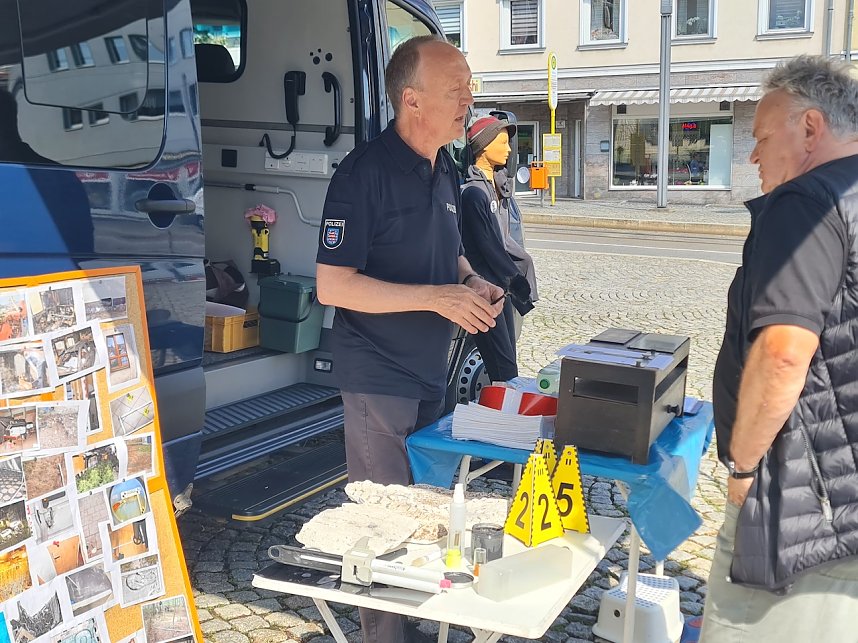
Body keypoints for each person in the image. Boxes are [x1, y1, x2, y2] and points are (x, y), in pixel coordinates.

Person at [314, 35, 504, 643]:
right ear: (412, 100)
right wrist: (433, 299)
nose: (468, 102)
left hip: (430, 369)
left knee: (419, 512)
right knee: (380, 518)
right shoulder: (364, 173)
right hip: (376, 373)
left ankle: (414, 623)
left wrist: (474, 283)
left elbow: (445, 258)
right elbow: (332, 285)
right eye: (458, 91)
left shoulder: (443, 167)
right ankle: (384, 637)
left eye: (470, 88)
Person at [701, 55, 858, 641]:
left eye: (763, 137)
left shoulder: (808, 200)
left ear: (810, 128)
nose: (754, 156)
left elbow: (785, 351)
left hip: (800, 493)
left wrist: (743, 464)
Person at [460, 115, 537, 382]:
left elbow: (505, 240)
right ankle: (498, 420)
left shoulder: (497, 188)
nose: (508, 149)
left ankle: (503, 414)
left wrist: (522, 265)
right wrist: (514, 278)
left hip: (499, 287)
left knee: (509, 364)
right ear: (484, 146)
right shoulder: (473, 193)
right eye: (502, 142)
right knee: (502, 367)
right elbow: (488, 246)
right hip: (482, 290)